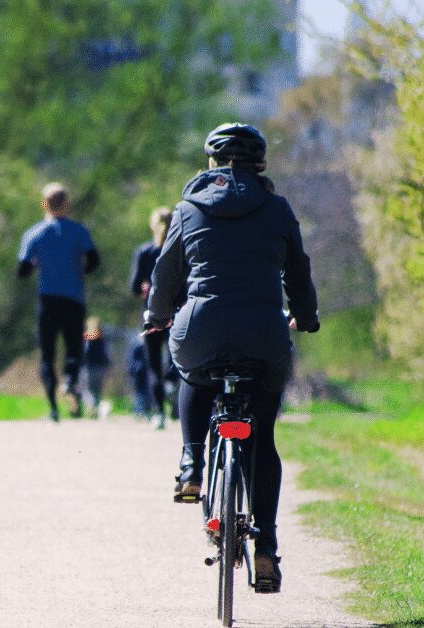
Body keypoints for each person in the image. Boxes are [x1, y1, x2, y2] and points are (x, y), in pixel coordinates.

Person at [144, 123, 319, 593]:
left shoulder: (187, 208)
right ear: (260, 165)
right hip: (264, 335)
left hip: (201, 329)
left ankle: (191, 464)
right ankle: (266, 548)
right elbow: (298, 274)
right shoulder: (277, 209)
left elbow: (165, 274)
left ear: (211, 163)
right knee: (263, 439)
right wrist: (306, 316)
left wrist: (156, 316)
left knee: (193, 373)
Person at [17, 182, 100, 421]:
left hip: (47, 301)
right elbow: (94, 261)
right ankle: (71, 379)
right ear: (67, 204)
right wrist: (77, 270)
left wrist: (37, 263)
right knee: (74, 348)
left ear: (44, 204)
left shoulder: (34, 234)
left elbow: (22, 271)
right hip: (74, 298)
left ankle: (53, 408)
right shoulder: (79, 231)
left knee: (47, 354)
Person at [129, 207, 175, 430]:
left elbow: (134, 287)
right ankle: (173, 388)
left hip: (152, 316)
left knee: (154, 367)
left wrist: (145, 290)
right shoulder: (180, 250)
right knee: (178, 361)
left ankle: (159, 413)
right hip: (178, 314)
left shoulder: (145, 252)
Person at [80, 317, 111, 418]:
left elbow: (83, 353)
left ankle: (93, 407)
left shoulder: (86, 337)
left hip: (89, 368)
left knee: (87, 390)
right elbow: (106, 354)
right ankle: (96, 410)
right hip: (100, 368)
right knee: (97, 390)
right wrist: (107, 366)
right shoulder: (102, 338)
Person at [126, 341, 152, 420]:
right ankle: (139, 411)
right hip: (137, 377)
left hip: (146, 376)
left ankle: (144, 412)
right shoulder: (136, 347)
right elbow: (130, 364)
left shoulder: (144, 347)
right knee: (139, 394)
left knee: (144, 394)